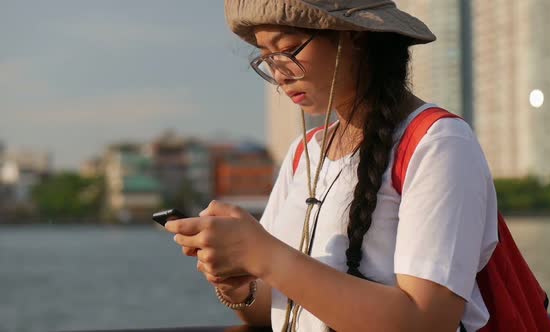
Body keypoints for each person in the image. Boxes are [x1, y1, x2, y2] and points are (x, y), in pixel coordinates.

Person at [165, 1, 503, 331]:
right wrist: (237, 280)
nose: (278, 72)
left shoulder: (438, 143)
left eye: (290, 49)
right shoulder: (305, 153)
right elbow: (279, 311)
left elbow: (428, 320)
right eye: (266, 57)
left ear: (353, 36)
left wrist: (263, 254)